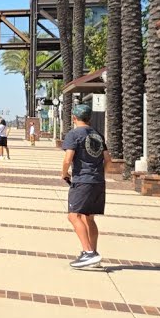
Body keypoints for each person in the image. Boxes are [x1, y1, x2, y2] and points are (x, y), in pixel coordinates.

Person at [62, 103, 110, 269]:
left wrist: (64, 173)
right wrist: (99, 172)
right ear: (89, 118)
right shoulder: (97, 135)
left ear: (74, 118)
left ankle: (89, 253)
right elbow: (108, 160)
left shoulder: (74, 134)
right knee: (89, 217)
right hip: (98, 181)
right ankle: (93, 254)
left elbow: (68, 158)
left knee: (73, 216)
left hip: (82, 181)